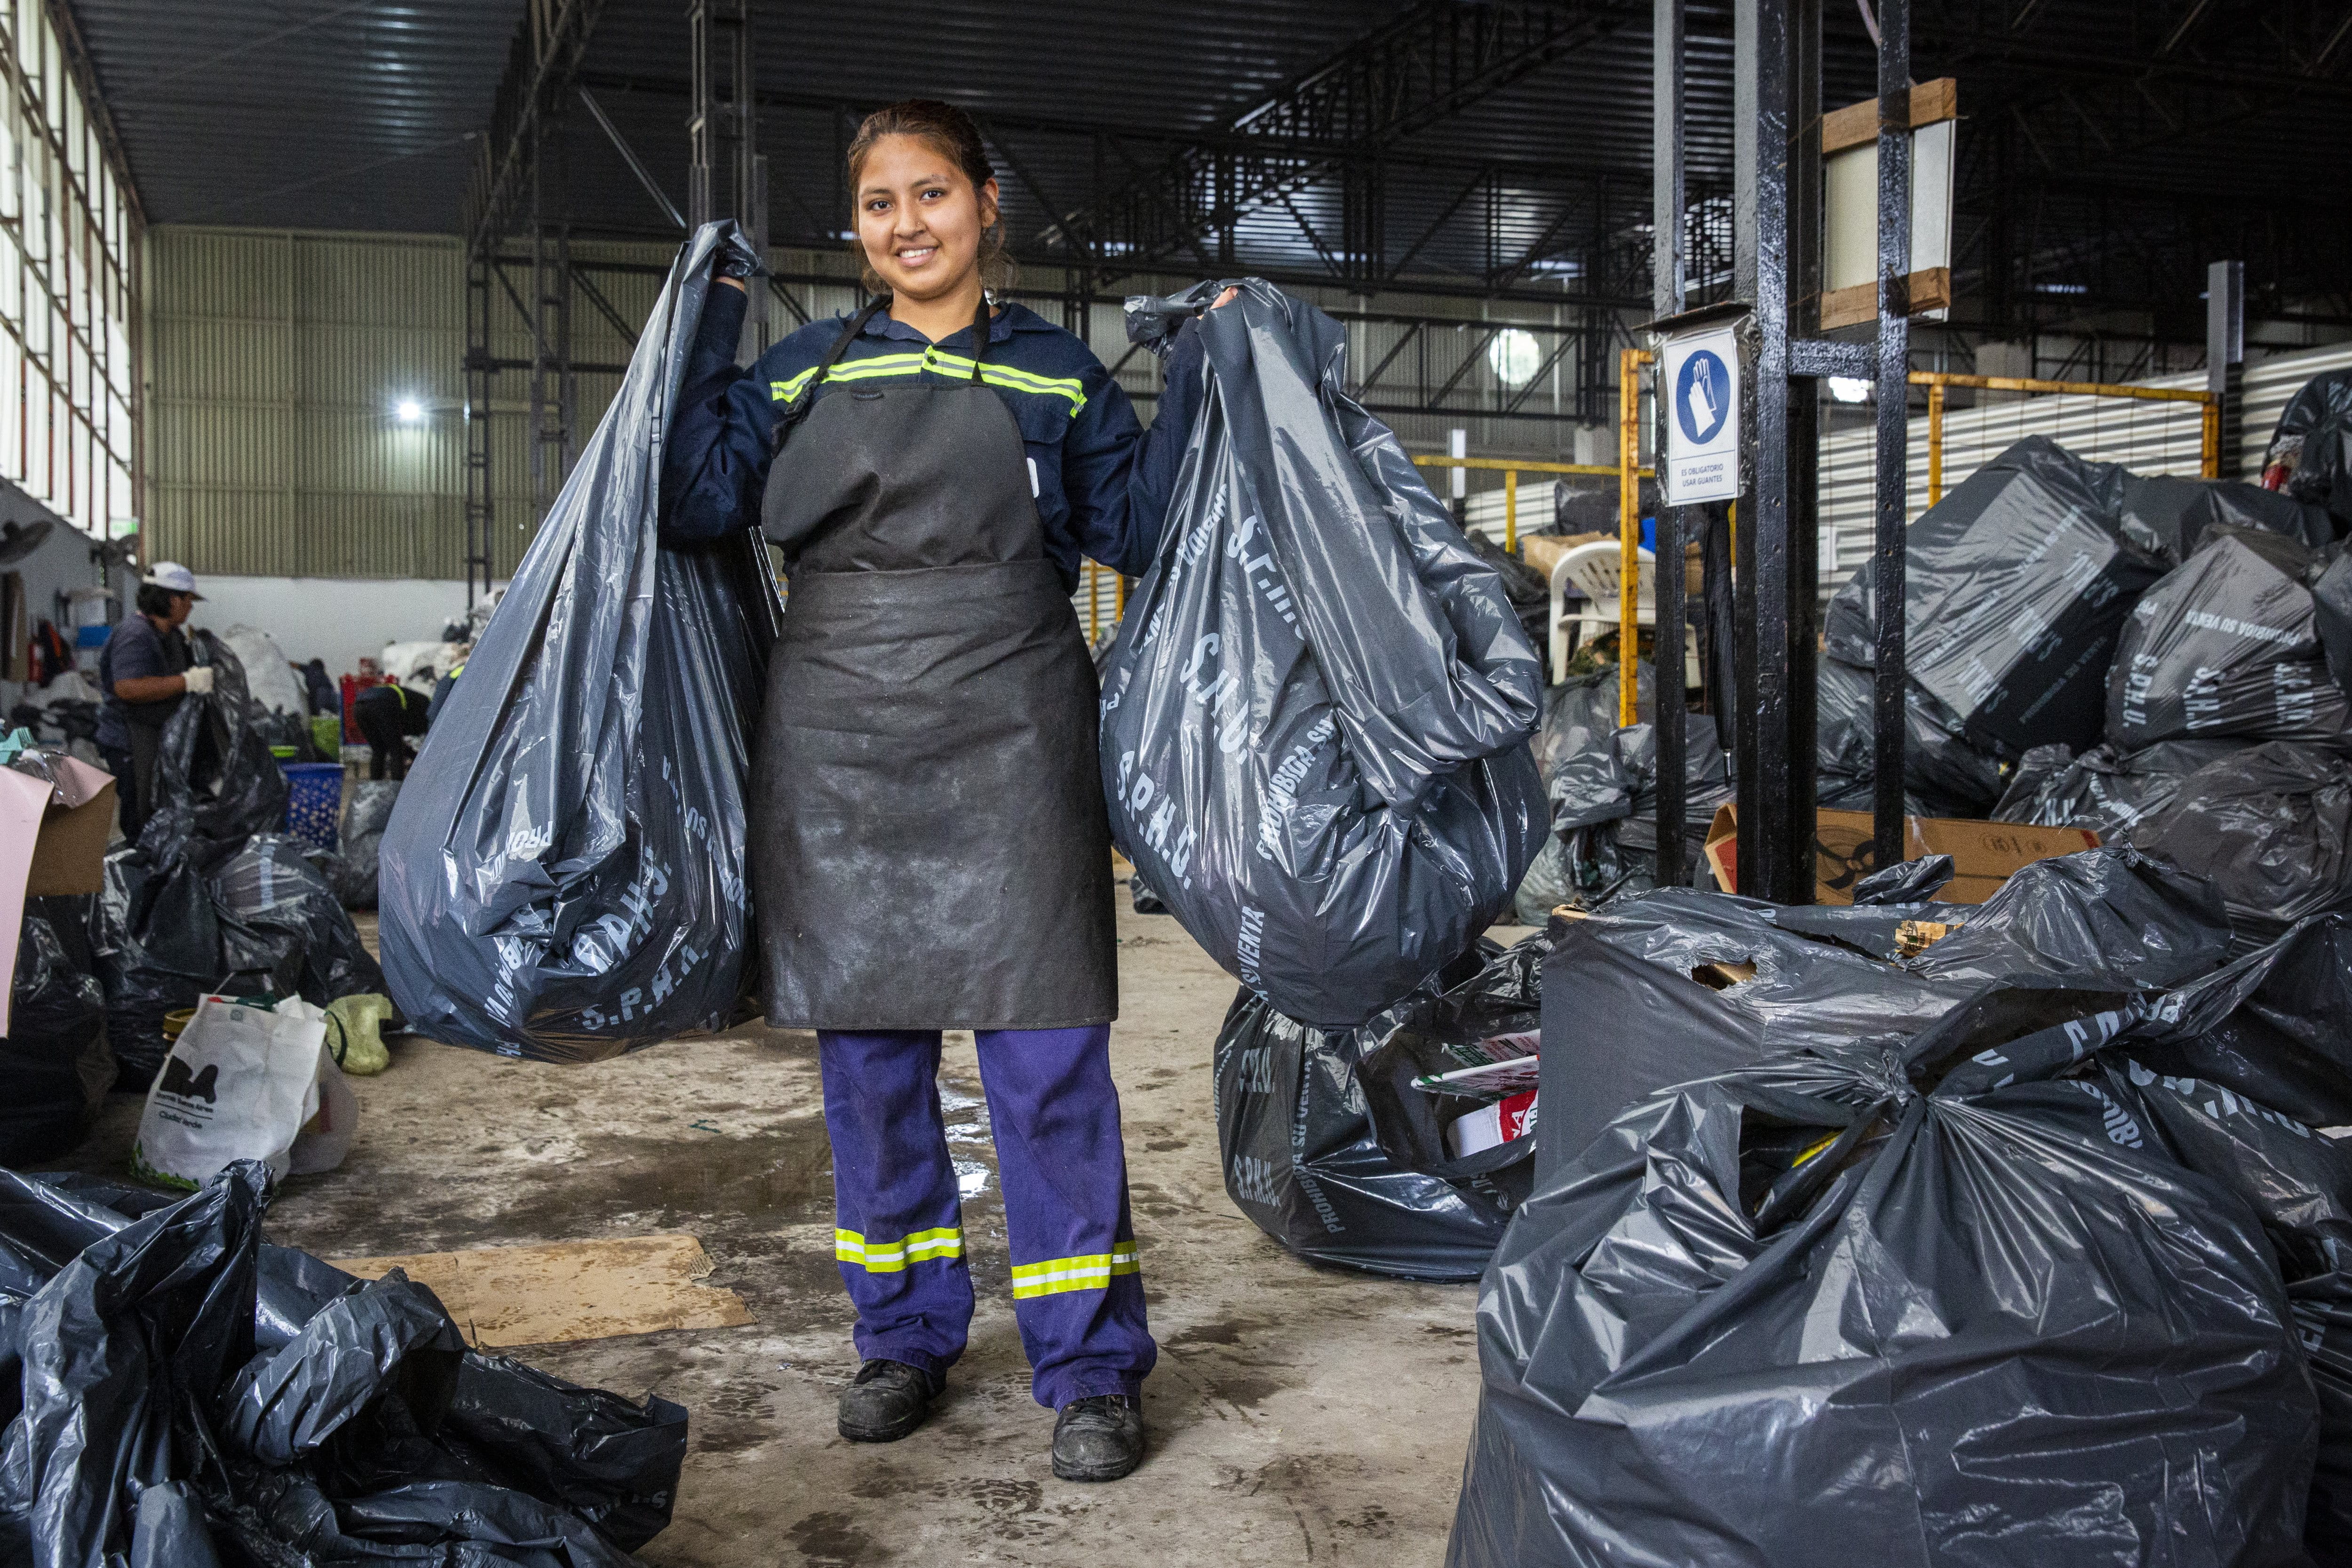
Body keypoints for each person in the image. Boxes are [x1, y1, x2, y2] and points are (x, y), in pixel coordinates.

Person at [663, 99, 1230, 1483]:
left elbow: (1143, 532)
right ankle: (903, 1337)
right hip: (840, 744)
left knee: (1046, 1073)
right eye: (877, 204)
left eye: (931, 194)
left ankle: (1090, 1367)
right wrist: (699, 334)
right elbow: (688, 499)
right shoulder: (799, 371)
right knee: (868, 1074)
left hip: (1015, 737)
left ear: (985, 207)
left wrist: (1207, 376)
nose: (905, 223)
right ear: (855, 227)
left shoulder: (1055, 374)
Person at [95, 562, 210, 840]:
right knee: (140, 814)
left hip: (153, 737)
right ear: (172, 599)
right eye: (188, 600)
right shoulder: (136, 634)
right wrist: (188, 682)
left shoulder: (168, 635)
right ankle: (139, 873)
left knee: (159, 810)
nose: (191, 607)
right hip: (130, 741)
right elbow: (128, 688)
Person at [350, 677, 433, 780]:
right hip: (382, 704)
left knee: (379, 749)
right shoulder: (428, 706)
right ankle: (396, 787)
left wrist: (412, 754)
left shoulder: (417, 700)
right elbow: (401, 740)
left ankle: (374, 787)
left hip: (359, 707)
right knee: (396, 751)